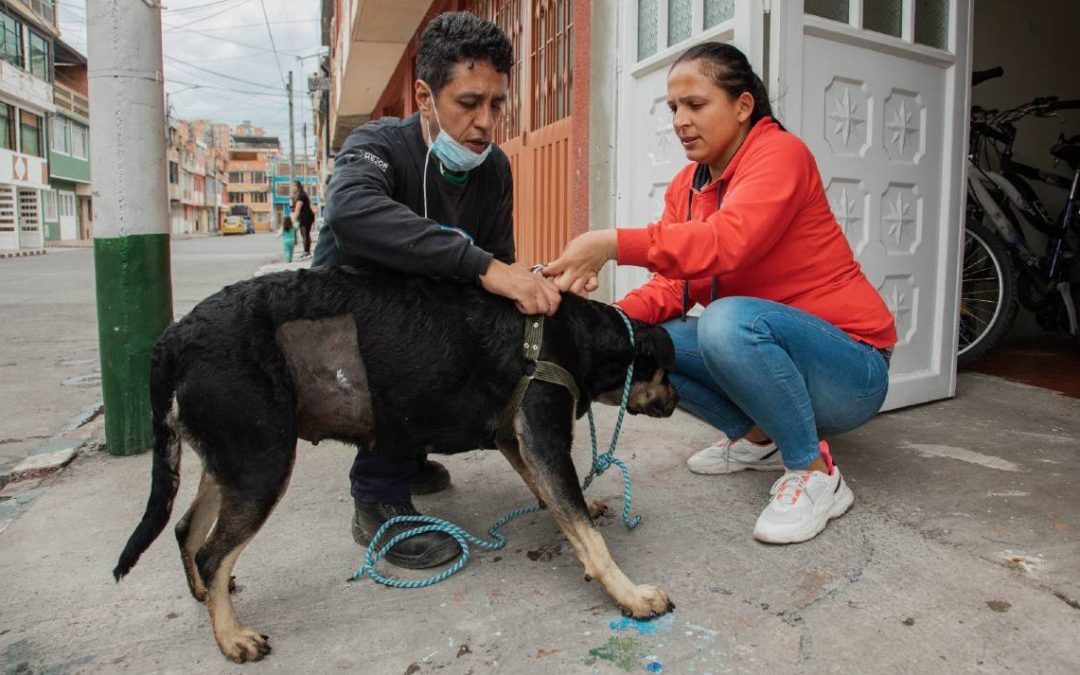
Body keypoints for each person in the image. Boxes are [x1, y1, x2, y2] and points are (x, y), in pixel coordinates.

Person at [543, 42, 897, 545]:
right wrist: (598, 323)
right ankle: (759, 438)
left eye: (696, 104)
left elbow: (726, 243)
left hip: (852, 369)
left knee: (726, 323)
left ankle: (815, 473)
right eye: (673, 108)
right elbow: (673, 285)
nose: (681, 120)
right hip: (784, 362)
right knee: (642, 338)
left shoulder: (780, 155)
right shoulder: (686, 186)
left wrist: (611, 244)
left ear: (743, 105)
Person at [311, 11, 561, 568]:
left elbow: (496, 265)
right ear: (424, 96)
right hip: (337, 331)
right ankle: (377, 499)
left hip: (412, 321)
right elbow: (350, 211)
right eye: (468, 103)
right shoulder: (379, 144)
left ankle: (407, 444)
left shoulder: (493, 168)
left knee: (482, 331)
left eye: (497, 104)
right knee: (409, 335)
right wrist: (484, 267)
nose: (485, 122)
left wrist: (536, 279)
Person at [291, 181, 316, 257]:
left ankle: (307, 252)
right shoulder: (301, 195)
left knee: (305, 234)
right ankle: (306, 251)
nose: (292, 188)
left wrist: (291, 222)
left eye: (293, 186)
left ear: (297, 186)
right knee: (306, 234)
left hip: (306, 217)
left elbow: (297, 210)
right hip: (307, 216)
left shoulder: (301, 196)